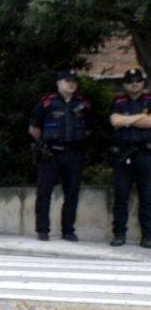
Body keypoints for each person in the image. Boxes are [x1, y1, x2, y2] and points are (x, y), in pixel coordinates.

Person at [29, 70, 94, 241]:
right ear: (59, 83)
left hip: (73, 154)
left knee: (72, 193)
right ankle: (43, 230)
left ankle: (68, 230)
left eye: (74, 81)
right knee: (44, 193)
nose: (71, 84)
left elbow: (89, 127)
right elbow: (34, 128)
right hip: (51, 153)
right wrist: (44, 145)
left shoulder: (83, 104)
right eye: (67, 81)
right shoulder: (47, 103)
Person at [110, 67, 150, 247]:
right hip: (122, 154)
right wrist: (141, 116)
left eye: (137, 81)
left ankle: (148, 236)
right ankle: (119, 234)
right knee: (120, 196)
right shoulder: (118, 101)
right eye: (130, 81)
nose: (134, 84)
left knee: (148, 197)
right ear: (125, 84)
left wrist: (127, 120)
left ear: (143, 83)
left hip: (145, 153)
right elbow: (115, 121)